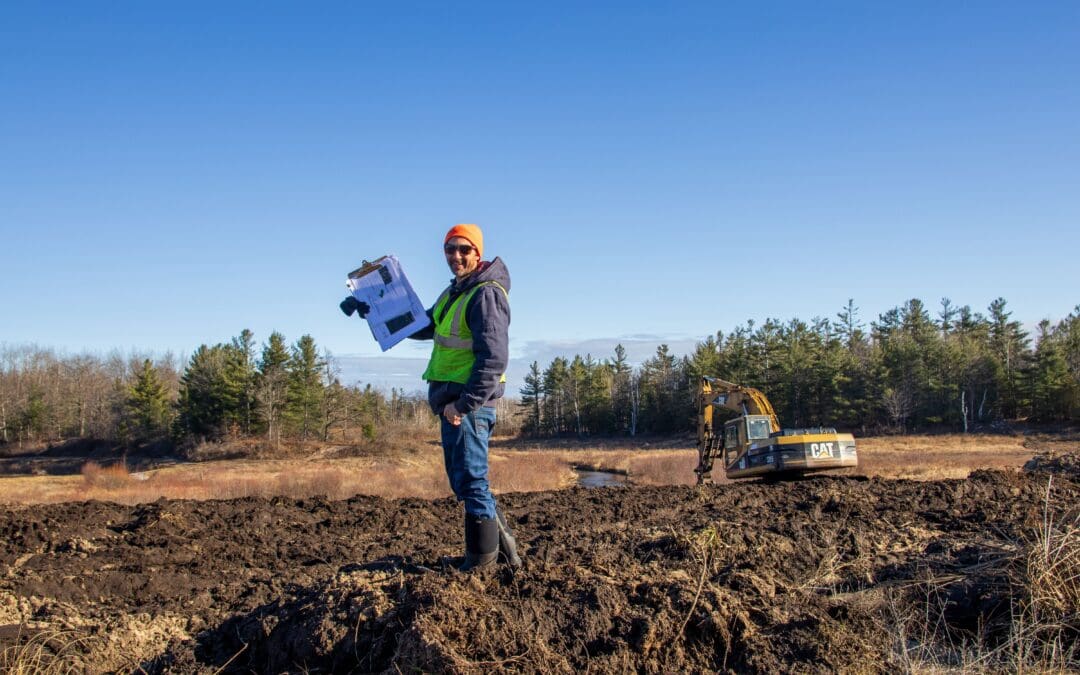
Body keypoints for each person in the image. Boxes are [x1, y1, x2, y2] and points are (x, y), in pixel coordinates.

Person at [340, 224, 521, 571]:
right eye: (450, 249)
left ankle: (482, 563)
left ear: (477, 253)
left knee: (472, 481)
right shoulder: (457, 292)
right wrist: (372, 308)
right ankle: (500, 553)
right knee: (466, 481)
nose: (456, 256)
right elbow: (424, 325)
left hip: (468, 406)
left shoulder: (485, 294)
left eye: (464, 250)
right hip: (454, 405)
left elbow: (494, 359)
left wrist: (462, 405)